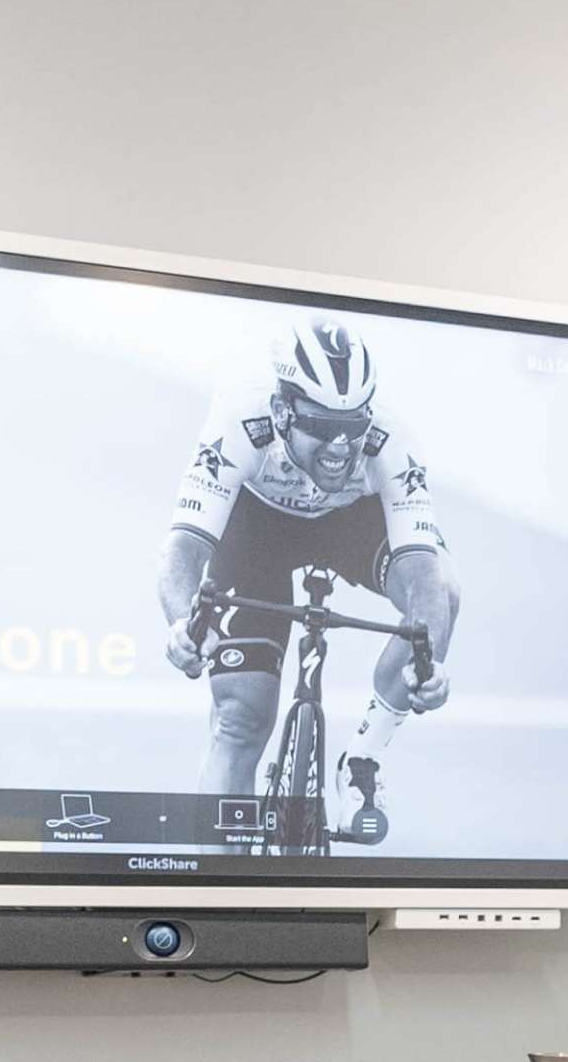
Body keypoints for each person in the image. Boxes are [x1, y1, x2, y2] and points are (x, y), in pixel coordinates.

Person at [155, 320, 458, 830]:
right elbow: (183, 548)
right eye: (319, 425)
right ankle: (219, 886)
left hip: (352, 524)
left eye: (353, 425)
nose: (341, 446)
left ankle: (363, 757)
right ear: (281, 412)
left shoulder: (392, 440)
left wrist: (427, 663)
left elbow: (423, 573)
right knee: (240, 720)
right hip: (256, 528)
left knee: (444, 595)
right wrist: (181, 623)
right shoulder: (239, 422)